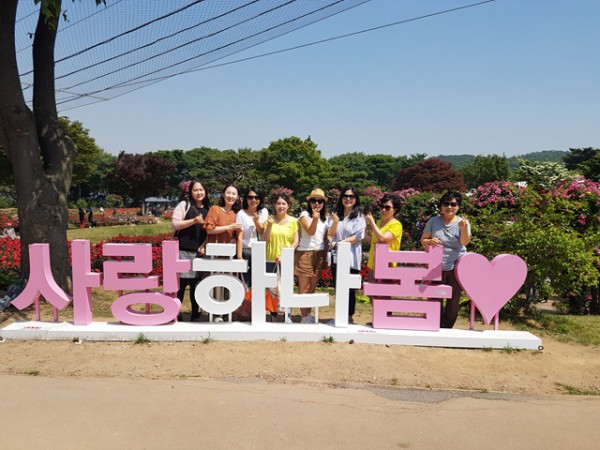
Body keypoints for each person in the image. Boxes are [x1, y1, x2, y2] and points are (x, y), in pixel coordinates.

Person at [420, 191, 471, 329]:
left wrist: (464, 229)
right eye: (446, 204)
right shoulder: (433, 221)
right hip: (436, 265)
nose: (449, 207)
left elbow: (465, 242)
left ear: (458, 207)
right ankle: (435, 324)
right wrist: (430, 241)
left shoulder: (463, 222)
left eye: (453, 204)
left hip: (456, 265)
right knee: (435, 297)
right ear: (441, 206)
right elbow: (423, 240)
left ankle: (447, 327)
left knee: (453, 300)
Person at [171, 179, 211, 321]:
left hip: (199, 252)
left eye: (201, 190)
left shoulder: (209, 209)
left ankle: (195, 313)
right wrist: (193, 221)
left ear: (205, 192)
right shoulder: (184, 205)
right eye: (195, 190)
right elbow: (175, 224)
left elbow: (210, 231)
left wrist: (204, 245)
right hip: (183, 249)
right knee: (181, 283)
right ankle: (176, 312)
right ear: (190, 192)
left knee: (196, 284)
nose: (199, 192)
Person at [204, 185, 243, 322]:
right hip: (214, 252)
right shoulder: (215, 209)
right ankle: (216, 313)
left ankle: (226, 311)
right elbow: (209, 230)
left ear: (237, 197)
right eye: (228, 193)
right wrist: (229, 227)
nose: (230, 196)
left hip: (229, 253)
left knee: (228, 282)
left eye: (234, 194)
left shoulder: (237, 214)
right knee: (215, 283)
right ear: (223, 194)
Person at [328, 187, 366, 324]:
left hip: (351, 257)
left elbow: (358, 237)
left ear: (356, 199)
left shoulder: (359, 217)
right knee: (338, 287)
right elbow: (329, 233)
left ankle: (349, 317)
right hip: (336, 257)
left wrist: (339, 243)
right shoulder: (335, 215)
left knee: (349, 290)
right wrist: (335, 222)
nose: (348, 199)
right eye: (345, 196)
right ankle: (340, 315)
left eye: (351, 196)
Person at [295, 188, 331, 324]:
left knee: (312, 287)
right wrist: (315, 219)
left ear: (323, 203)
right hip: (305, 252)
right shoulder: (304, 215)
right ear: (309, 202)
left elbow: (325, 239)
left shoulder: (325, 219)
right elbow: (310, 231)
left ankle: (308, 315)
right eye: (313, 200)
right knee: (304, 288)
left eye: (320, 201)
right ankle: (304, 317)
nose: (317, 203)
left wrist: (325, 256)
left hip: (319, 253)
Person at [262, 190, 299, 322]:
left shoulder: (294, 221)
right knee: (272, 290)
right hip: (270, 259)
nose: (281, 206)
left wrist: (285, 255)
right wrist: (270, 225)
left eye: (284, 204)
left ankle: (287, 315)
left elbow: (296, 242)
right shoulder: (269, 220)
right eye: (278, 203)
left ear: (288, 206)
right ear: (274, 205)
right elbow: (265, 239)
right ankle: (273, 315)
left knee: (286, 288)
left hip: (286, 260)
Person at [365, 193, 403, 281]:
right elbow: (373, 241)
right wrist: (363, 231)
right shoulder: (379, 222)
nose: (383, 210)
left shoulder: (396, 225)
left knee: (384, 289)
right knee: (371, 289)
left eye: (387, 207)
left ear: (395, 210)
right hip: (373, 263)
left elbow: (382, 239)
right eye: (381, 207)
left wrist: (372, 223)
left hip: (387, 265)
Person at [236, 187, 268, 288]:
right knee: (244, 283)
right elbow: (239, 236)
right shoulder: (241, 214)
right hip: (246, 250)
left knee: (258, 284)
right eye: (250, 197)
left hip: (260, 250)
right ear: (246, 199)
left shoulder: (263, 212)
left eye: (256, 197)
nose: (253, 200)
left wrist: (256, 221)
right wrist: (239, 257)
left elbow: (262, 231)